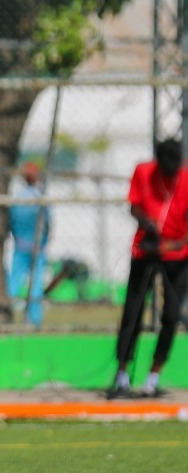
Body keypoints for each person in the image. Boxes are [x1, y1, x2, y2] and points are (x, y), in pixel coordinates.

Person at [108, 138, 188, 400]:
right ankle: (122, 375)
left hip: (177, 255)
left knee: (171, 315)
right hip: (145, 252)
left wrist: (174, 243)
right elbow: (133, 205)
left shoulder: (185, 178)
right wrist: (149, 225)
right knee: (133, 312)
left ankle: (153, 377)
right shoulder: (143, 172)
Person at [7, 161, 50, 327]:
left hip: (20, 245)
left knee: (14, 281)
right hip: (38, 247)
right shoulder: (41, 197)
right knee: (36, 283)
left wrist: (17, 238)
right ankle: (35, 319)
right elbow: (48, 222)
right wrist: (44, 241)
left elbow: (11, 221)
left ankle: (6, 313)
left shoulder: (18, 197)